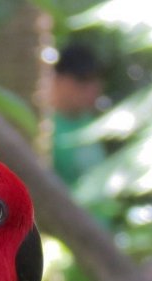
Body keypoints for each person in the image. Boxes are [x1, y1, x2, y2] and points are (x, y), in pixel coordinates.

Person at [50, 42, 105, 184]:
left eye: (94, 79)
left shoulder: (94, 123)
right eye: (82, 80)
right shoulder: (45, 128)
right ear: (58, 80)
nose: (92, 88)